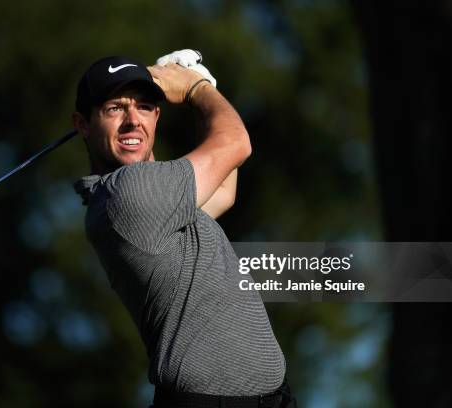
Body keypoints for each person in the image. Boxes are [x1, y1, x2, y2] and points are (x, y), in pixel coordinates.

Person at [73, 53, 296, 408]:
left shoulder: (154, 200)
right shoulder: (128, 192)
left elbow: (223, 190)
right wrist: (197, 89)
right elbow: (237, 143)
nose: (133, 121)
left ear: (157, 116)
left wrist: (203, 96)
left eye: (144, 107)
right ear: (83, 124)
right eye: (115, 108)